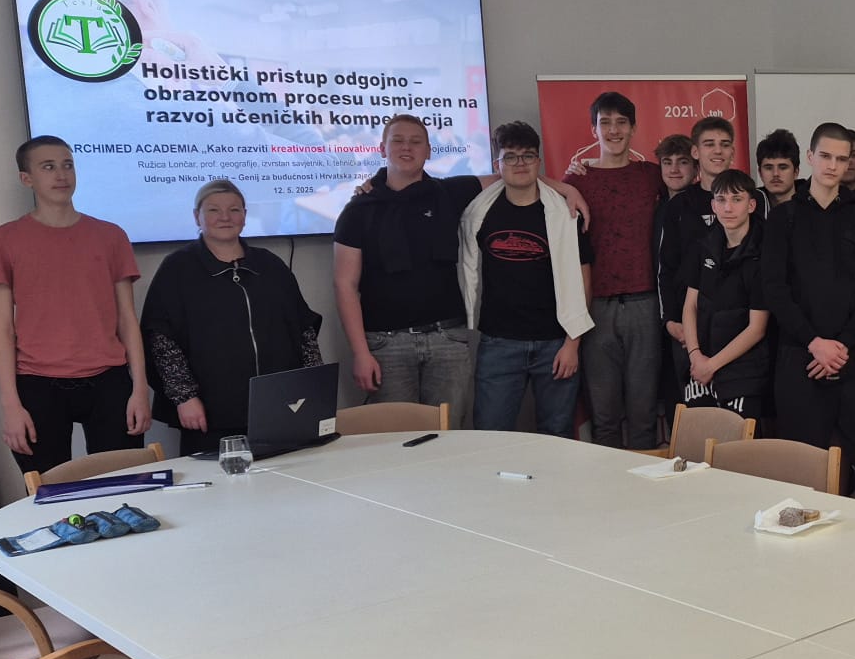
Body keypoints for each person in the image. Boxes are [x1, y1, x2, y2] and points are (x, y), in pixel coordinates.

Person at [0, 135, 152, 474]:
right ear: (27, 178)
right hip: (37, 381)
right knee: (49, 490)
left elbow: (127, 319)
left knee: (124, 484)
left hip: (108, 379)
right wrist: (11, 405)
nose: (61, 175)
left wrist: (139, 389)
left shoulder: (110, 235)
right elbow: (2, 328)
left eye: (68, 165)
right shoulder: (4, 239)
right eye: (48, 167)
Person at [140, 179, 322, 456]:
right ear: (197, 217)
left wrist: (314, 385)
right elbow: (162, 340)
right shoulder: (178, 269)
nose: (225, 217)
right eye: (213, 210)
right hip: (209, 413)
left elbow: (303, 329)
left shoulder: (270, 265)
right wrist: (184, 397)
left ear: (245, 216)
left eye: (234, 210)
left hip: (282, 404)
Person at [761, 123, 855, 503]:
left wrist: (841, 346)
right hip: (800, 357)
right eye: (825, 156)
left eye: (842, 158)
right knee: (803, 472)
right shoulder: (782, 219)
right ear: (810, 157)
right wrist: (814, 343)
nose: (833, 165)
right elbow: (775, 290)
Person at [332, 115, 482, 424]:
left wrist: (565, 189)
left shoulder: (450, 192)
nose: (406, 148)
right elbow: (345, 285)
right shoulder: (357, 210)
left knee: (450, 435)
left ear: (428, 150)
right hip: (386, 345)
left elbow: (512, 175)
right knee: (397, 437)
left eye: (416, 142)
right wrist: (360, 353)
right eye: (397, 140)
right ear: (382, 148)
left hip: (448, 341)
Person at [462, 122, 594, 437]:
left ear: (539, 161)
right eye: (510, 156)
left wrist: (572, 343)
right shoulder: (478, 213)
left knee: (557, 435)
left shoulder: (565, 214)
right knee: (491, 434)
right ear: (497, 164)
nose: (520, 163)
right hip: (498, 343)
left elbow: (583, 279)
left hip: (556, 342)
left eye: (528, 156)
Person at [575, 92, 665, 449]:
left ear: (633, 128)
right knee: (604, 412)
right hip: (596, 306)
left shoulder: (651, 175)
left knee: (644, 410)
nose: (613, 130)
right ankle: (606, 480)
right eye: (605, 123)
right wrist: (562, 184)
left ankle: (647, 479)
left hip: (645, 302)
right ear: (593, 129)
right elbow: (535, 184)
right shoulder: (578, 179)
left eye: (621, 122)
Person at [682, 170, 771, 416]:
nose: (728, 207)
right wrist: (695, 355)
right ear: (713, 205)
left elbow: (757, 328)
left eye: (737, 199)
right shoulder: (704, 246)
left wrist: (711, 365)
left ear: (751, 205)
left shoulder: (764, 253)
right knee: (698, 438)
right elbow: (690, 306)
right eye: (721, 200)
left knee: (737, 440)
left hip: (743, 373)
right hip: (700, 367)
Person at [658, 116, 736, 390]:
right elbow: (665, 268)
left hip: (738, 328)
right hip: (687, 330)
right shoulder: (678, 206)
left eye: (724, 144)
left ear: (733, 151)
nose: (717, 150)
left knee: (738, 411)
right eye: (709, 144)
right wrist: (670, 319)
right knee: (694, 408)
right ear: (695, 151)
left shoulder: (751, 199)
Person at [755, 129, 803, 214]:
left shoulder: (814, 206)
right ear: (760, 173)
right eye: (769, 168)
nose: (775, 174)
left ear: (796, 172)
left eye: (783, 167)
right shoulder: (749, 209)